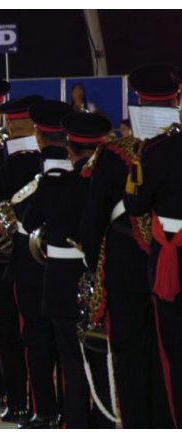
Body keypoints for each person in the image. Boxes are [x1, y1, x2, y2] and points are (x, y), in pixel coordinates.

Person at [80, 65, 175, 428]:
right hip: (173, 268)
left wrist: (94, 261)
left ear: (137, 102)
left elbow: (93, 220)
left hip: (127, 271)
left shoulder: (115, 154)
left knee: (130, 357)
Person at [23, 112, 114, 428]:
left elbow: (29, 223)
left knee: (70, 361)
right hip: (102, 279)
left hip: (62, 281)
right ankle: (103, 421)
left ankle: (76, 423)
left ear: (70, 151)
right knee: (101, 358)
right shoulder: (109, 184)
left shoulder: (53, 184)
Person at [0, 94, 47, 423]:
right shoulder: (52, 158)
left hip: (14, 260)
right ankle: (48, 405)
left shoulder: (9, 162)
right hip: (52, 260)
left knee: (12, 331)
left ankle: (18, 400)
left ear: (13, 123)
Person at [124, 66, 182, 428]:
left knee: (174, 353)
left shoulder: (152, 151)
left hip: (169, 262)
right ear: (175, 100)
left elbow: (135, 205)